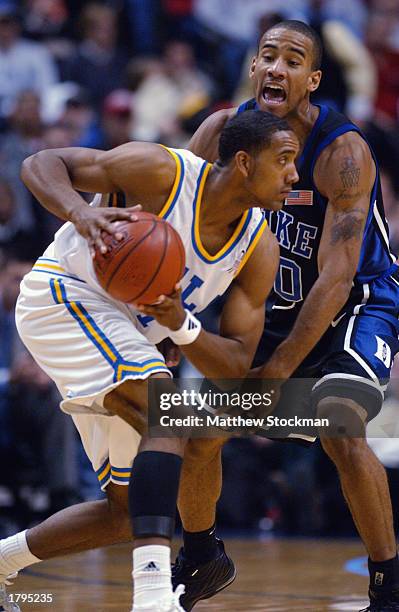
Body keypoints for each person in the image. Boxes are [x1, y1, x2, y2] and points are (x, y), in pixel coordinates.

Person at [0, 110, 299, 612]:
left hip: (131, 340)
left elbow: (233, 364)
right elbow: (40, 162)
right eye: (285, 160)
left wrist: (183, 324)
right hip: (65, 295)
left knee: (128, 509)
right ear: (244, 163)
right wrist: (81, 213)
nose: (295, 174)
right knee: (170, 415)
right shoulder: (161, 172)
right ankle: (155, 596)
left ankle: (3, 562)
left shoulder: (259, 248)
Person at [175, 20, 399, 612]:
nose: (277, 67)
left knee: (340, 428)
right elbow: (178, 228)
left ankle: (389, 585)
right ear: (253, 69)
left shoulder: (342, 153)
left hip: (356, 303)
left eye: (293, 60)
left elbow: (335, 279)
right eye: (267, 56)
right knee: (197, 434)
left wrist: (276, 372)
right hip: (271, 305)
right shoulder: (222, 133)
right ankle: (201, 557)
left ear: (313, 80)